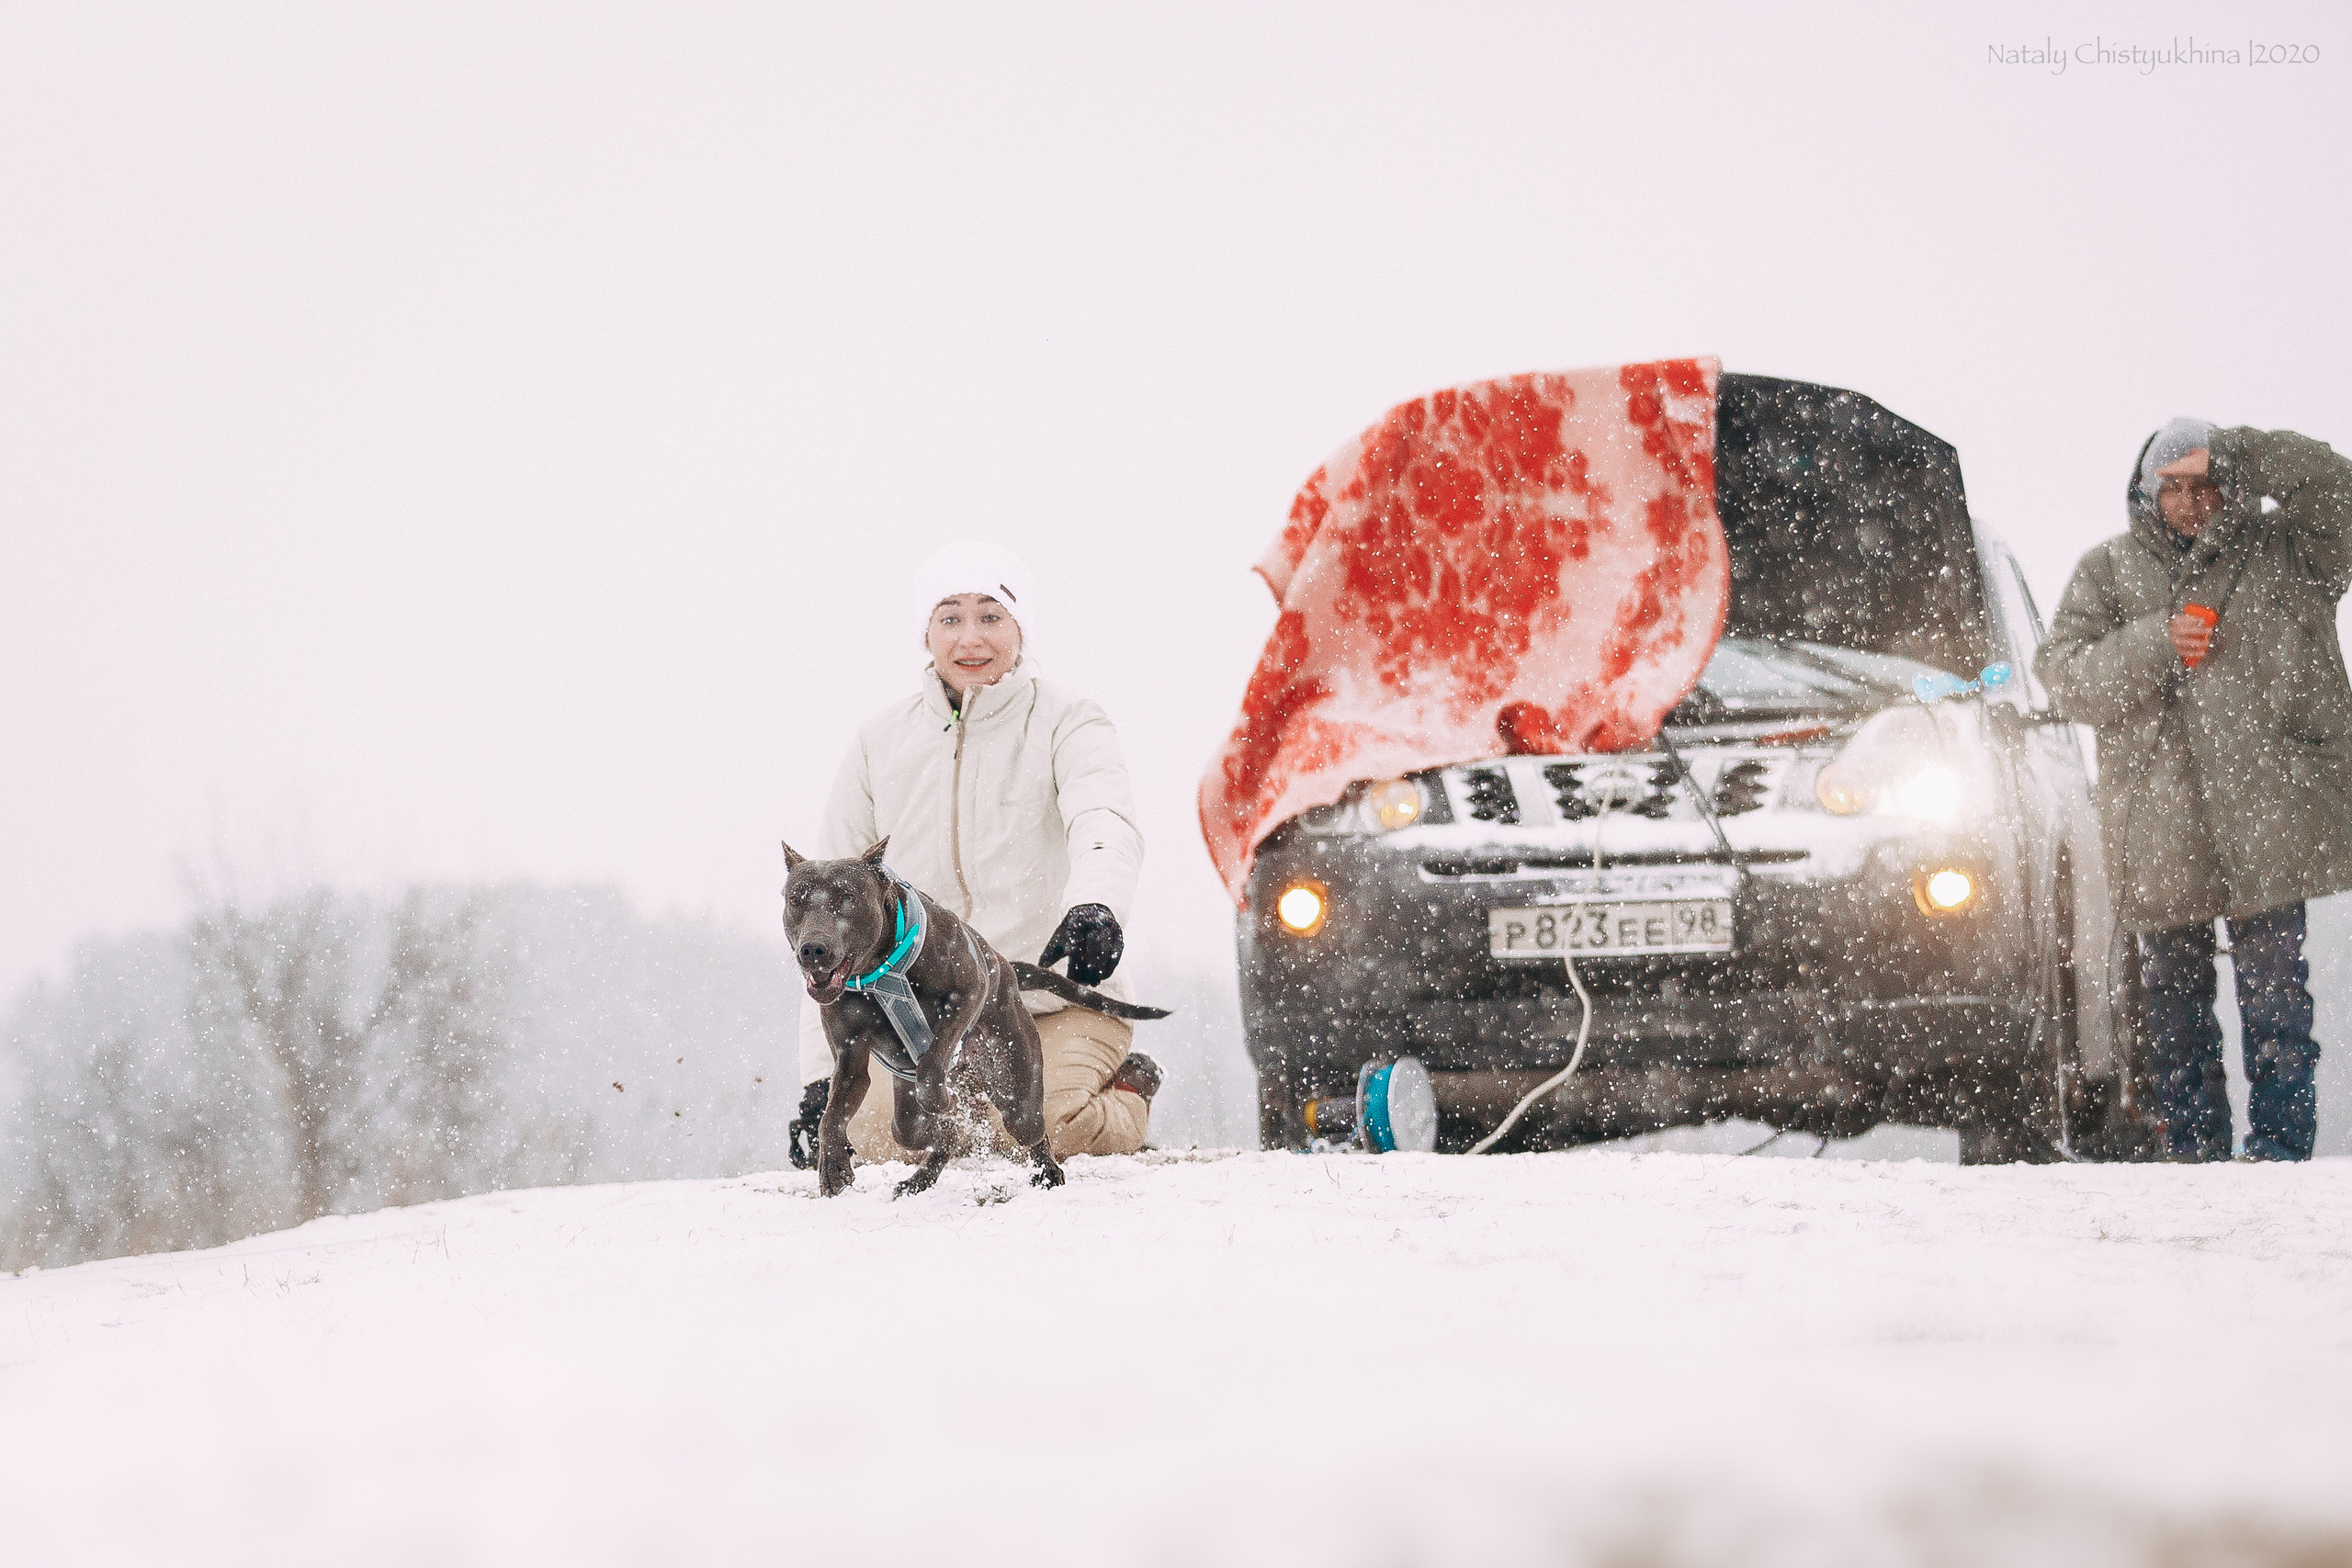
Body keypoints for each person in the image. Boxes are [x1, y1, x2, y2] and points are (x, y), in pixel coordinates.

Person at [786, 540, 1159, 1169]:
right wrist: (819, 1079)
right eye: (950, 617)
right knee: (880, 1141)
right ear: (926, 632)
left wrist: (1097, 904)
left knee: (1037, 1133)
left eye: (991, 615)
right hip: (933, 1017)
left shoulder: (1068, 721)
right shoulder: (881, 742)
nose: (971, 639)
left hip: (1057, 1002)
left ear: (1020, 627)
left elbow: (1104, 818)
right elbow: (829, 910)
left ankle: (1130, 1087)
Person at [2038, 418, 2352, 1161]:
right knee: (2174, 1011)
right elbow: (2064, 677)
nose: (2189, 500)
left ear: (2231, 481)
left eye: (2205, 481)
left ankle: (2280, 1154)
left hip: (2268, 819)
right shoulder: (2106, 571)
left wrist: (2243, 446)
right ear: (2146, 491)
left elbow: (2341, 496)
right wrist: (2155, 641)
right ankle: (2192, 1155)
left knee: (2279, 1005)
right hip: (2158, 829)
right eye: (2171, 485)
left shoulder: (2288, 552)